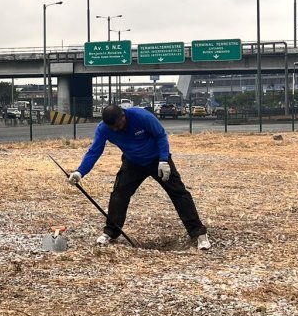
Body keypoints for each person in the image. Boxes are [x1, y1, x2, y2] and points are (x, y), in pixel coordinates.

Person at [68, 104, 210, 250]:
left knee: (178, 193)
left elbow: (160, 135)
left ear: (123, 116)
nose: (116, 129)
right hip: (133, 162)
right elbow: (94, 151)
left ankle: (198, 233)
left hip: (157, 160)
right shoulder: (103, 128)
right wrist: (80, 172)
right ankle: (110, 232)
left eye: (118, 125)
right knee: (119, 194)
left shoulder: (142, 116)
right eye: (112, 128)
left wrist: (163, 159)